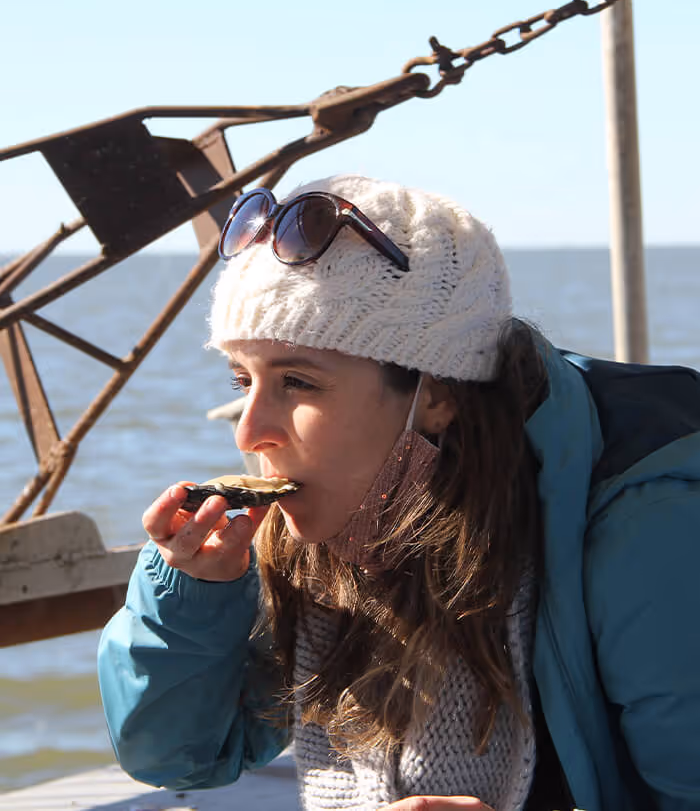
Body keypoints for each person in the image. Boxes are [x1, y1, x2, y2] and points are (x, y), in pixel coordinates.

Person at [98, 174, 700, 811]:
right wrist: (194, 596)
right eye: (241, 380)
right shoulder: (334, 519)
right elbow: (181, 757)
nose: (250, 429)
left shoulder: (650, 525)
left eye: (298, 383)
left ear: (436, 394)